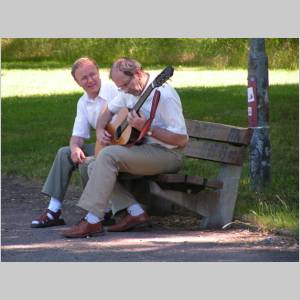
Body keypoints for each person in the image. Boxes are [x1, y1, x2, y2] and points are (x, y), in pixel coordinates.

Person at [62, 57, 188, 238]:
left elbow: (182, 140)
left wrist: (148, 128)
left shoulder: (164, 96)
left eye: (124, 85)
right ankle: (136, 213)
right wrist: (99, 129)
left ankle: (92, 220)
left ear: (138, 73)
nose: (122, 90)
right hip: (142, 150)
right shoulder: (129, 90)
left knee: (106, 156)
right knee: (91, 164)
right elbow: (108, 111)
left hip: (167, 154)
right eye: (119, 87)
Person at [31, 57, 118, 228]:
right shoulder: (83, 102)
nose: (90, 80)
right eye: (84, 78)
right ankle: (53, 210)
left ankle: (100, 211)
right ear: (78, 82)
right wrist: (74, 148)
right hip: (104, 146)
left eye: (92, 74)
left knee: (88, 162)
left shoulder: (115, 91)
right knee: (64, 152)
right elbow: (77, 135)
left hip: (121, 146)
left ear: (99, 72)